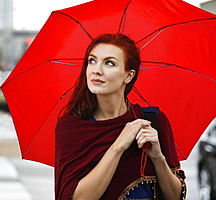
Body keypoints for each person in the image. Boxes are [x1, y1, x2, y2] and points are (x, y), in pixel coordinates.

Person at [54, 33, 186, 200]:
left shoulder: (153, 121)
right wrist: (119, 146)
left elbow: (176, 197)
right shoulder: (72, 127)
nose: (96, 70)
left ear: (129, 76)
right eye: (92, 61)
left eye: (109, 63)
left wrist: (157, 158)